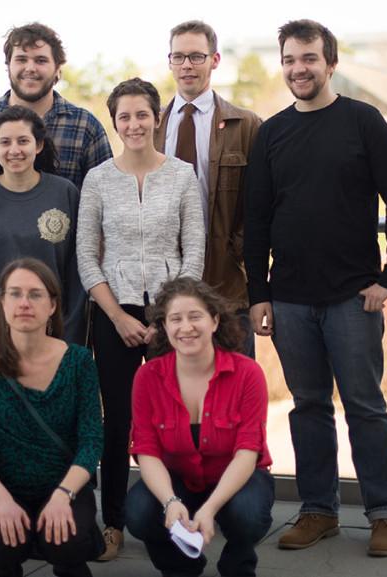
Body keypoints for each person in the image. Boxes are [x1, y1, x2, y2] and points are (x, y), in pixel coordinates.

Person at [243, 19, 387, 556]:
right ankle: (319, 511)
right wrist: (258, 294)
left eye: (310, 59)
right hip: (290, 299)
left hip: (352, 296)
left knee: (365, 406)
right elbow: (258, 219)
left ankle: (385, 513)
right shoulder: (272, 132)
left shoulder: (363, 121)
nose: (300, 68)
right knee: (308, 406)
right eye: (291, 60)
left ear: (330, 63)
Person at [76, 77, 206, 561]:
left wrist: (173, 315)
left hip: (175, 315)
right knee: (118, 422)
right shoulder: (98, 179)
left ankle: (183, 514)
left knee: (179, 419)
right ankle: (112, 523)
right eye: (124, 116)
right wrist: (117, 317)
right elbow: (87, 258)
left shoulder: (181, 175)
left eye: (142, 114)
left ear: (157, 117)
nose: (134, 124)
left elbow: (193, 249)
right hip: (116, 314)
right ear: (115, 122)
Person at [0, 22, 112, 301]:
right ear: (8, 65)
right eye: (21, 59)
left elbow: (105, 210)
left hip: (65, 285)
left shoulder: (85, 127)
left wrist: (96, 285)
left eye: (41, 60)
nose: (30, 68)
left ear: (58, 69)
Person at [0, 258, 104, 577]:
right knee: (2, 543)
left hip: (63, 484)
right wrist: (2, 501)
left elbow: (91, 441)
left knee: (67, 542)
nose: (24, 303)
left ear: (52, 305)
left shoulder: (79, 362)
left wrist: (63, 495)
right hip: (3, 487)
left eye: (36, 294)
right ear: (2, 302)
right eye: (15, 294)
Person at [125, 277, 274, 577]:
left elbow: (247, 452)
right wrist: (169, 502)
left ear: (215, 321)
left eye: (195, 317)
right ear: (164, 327)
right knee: (139, 512)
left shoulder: (247, 373)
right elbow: (147, 452)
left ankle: (238, 565)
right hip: (177, 480)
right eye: (175, 319)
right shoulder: (148, 377)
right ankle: (180, 567)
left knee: (248, 514)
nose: (186, 327)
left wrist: (210, 508)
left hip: (236, 478)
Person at [155, 21, 262, 357]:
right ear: (169, 61)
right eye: (179, 57)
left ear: (215, 60)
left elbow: (259, 205)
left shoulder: (246, 125)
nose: (187, 65)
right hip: (168, 286)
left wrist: (238, 251)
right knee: (176, 397)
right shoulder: (151, 126)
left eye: (197, 56)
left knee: (235, 390)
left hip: (227, 283)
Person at [0, 105, 87, 358]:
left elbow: (76, 273)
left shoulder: (64, 193)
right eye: (5, 142)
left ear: (38, 146)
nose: (14, 150)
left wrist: (71, 344)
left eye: (23, 141)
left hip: (54, 340)